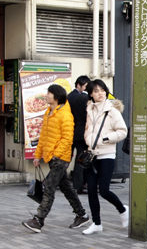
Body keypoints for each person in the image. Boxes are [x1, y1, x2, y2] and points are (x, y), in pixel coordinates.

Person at [22, 85, 90, 233]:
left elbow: (67, 139)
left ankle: (38, 220)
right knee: (66, 188)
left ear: (57, 97)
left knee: (49, 187)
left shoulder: (65, 114)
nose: (46, 96)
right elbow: (43, 137)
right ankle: (82, 214)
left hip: (60, 158)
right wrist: (37, 155)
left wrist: (56, 154)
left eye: (49, 93)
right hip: (52, 157)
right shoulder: (48, 112)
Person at [81, 79, 129, 235]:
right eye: (95, 91)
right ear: (90, 94)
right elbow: (88, 129)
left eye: (102, 90)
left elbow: (122, 131)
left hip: (107, 154)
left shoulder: (112, 111)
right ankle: (96, 223)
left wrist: (105, 139)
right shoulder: (90, 109)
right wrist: (88, 139)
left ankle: (123, 210)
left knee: (104, 190)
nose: (99, 93)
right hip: (92, 154)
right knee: (91, 191)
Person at [68, 76, 90, 194]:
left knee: (74, 158)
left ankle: (78, 184)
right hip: (83, 134)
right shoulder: (86, 99)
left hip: (74, 132)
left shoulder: (73, 98)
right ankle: (80, 185)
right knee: (81, 160)